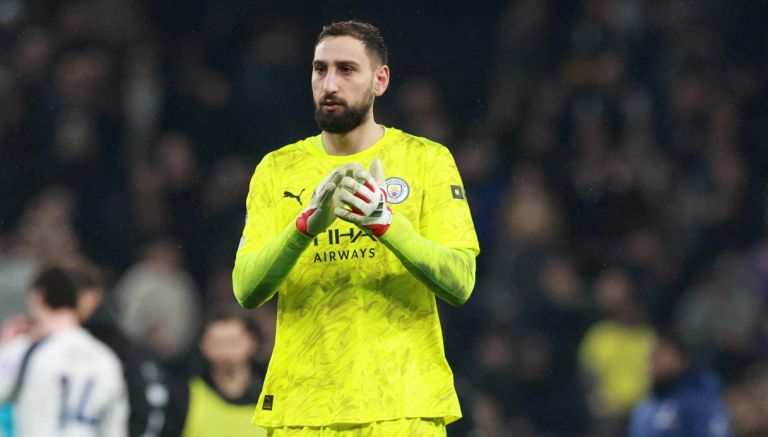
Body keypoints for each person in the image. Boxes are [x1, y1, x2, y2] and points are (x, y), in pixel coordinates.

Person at [232, 20, 480, 436]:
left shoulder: (427, 160)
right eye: (320, 69)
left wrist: (386, 225)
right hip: (302, 409)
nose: (330, 84)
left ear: (380, 80)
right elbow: (246, 289)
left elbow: (460, 282)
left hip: (403, 408)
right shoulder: (276, 169)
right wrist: (303, 228)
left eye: (346, 69)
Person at [0, 266, 128, 436]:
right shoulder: (105, 358)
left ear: (37, 298)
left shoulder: (27, 350)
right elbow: (114, 428)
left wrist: (4, 346)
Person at [67, 258, 187, 437]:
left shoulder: (117, 349)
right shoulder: (43, 346)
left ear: (92, 297)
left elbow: (146, 409)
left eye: (63, 297)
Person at [628, 330, 734, 437]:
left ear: (682, 359)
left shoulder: (701, 401)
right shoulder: (645, 405)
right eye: (651, 355)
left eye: (661, 354)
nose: (654, 361)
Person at [182, 308, 266, 437]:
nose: (226, 352)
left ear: (252, 342)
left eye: (233, 342)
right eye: (218, 343)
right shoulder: (186, 394)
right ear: (203, 345)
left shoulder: (273, 393)